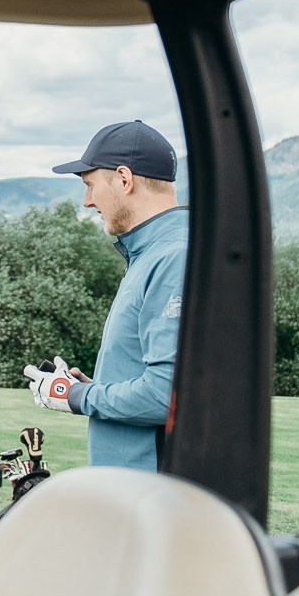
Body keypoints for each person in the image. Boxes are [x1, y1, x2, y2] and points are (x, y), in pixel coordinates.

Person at [28, 120, 189, 471]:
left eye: (90, 186)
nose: (87, 201)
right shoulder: (150, 252)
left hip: (148, 490)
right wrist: (96, 388)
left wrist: (73, 395)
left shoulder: (172, 257)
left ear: (123, 179)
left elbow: (166, 395)